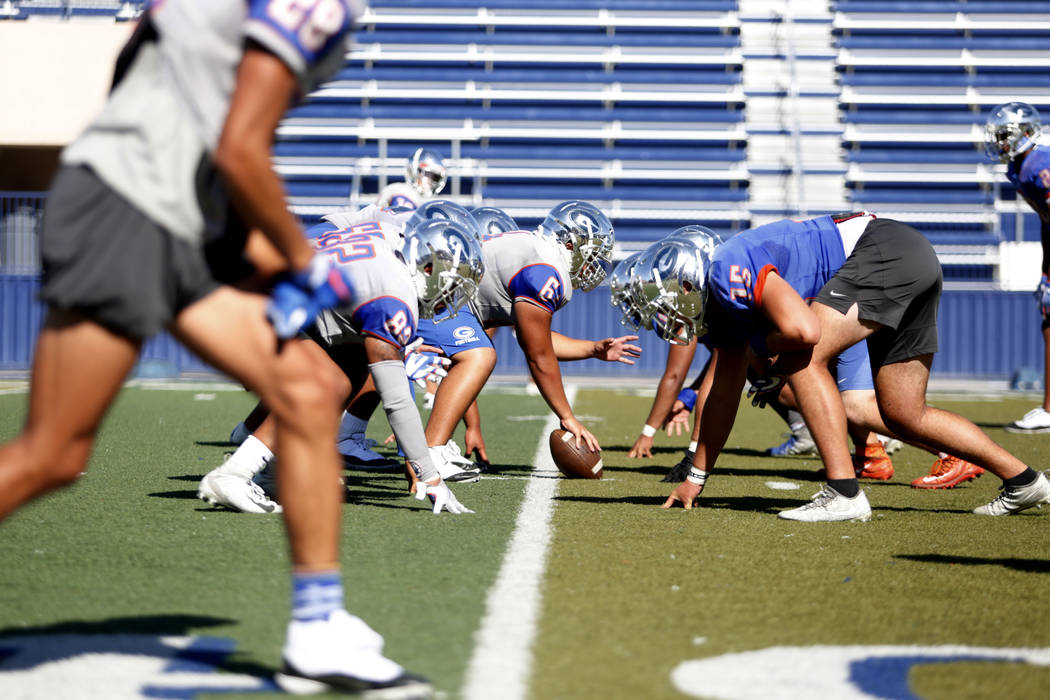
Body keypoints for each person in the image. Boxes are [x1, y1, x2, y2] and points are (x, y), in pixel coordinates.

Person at [0, 2, 436, 695]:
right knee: (53, 453)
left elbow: (171, 109)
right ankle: (319, 630)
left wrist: (244, 243)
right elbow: (238, 145)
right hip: (133, 207)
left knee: (308, 390)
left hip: (171, 206)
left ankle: (318, 630)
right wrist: (301, 260)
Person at [644, 213, 1050, 521]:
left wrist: (760, 348)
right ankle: (1024, 480)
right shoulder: (725, 296)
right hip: (909, 255)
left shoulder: (725, 268)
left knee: (801, 360)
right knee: (904, 413)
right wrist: (695, 479)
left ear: (688, 280)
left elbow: (803, 332)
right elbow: (723, 395)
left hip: (882, 250)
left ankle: (844, 493)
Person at [199, 215, 480, 515]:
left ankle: (273, 472)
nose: (450, 298)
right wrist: (430, 475)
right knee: (324, 383)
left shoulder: (387, 237)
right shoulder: (395, 296)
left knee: (349, 367)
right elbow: (396, 400)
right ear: (428, 268)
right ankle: (234, 475)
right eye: (452, 285)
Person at [984, 101, 1050, 434]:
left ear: (1026, 133)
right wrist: (1046, 271)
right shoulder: (1017, 168)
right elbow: (1046, 220)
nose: (1000, 142)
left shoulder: (1040, 164)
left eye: (1004, 136)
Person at [376, 147, 448, 211]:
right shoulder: (401, 191)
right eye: (427, 174)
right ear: (414, 171)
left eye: (435, 177)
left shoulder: (436, 203)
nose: (430, 180)